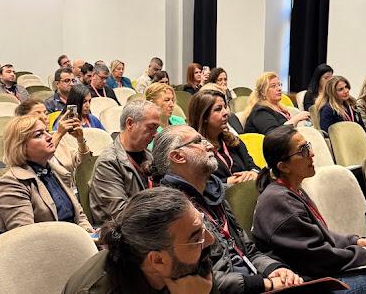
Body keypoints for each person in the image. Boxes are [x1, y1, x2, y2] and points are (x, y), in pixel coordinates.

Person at [251, 125, 366, 294]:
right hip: (314, 284)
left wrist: (356, 241)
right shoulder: (280, 201)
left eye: (308, 146)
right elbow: (318, 258)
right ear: (284, 166)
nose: (312, 153)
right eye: (303, 150)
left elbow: (318, 235)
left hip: (320, 274)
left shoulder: (291, 189)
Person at [152, 125, 302, 294]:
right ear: (178, 156)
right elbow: (195, 281)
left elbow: (248, 250)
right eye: (198, 141)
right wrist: (265, 284)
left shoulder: (213, 192)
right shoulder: (170, 210)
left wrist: (274, 269)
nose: (210, 145)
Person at [63, 187, 217, 294]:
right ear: (158, 260)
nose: (210, 240)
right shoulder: (99, 290)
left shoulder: (187, 266)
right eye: (196, 238)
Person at [0, 115, 94, 232]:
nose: (49, 137)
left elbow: (79, 215)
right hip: (48, 242)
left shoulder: (56, 171)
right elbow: (26, 235)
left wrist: (89, 234)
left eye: (46, 131)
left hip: (76, 237)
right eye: (39, 135)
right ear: (20, 146)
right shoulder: (11, 184)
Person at [88, 100, 161, 225]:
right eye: (151, 127)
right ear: (130, 124)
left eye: (156, 128)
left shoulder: (149, 154)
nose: (155, 134)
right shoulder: (108, 162)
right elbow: (121, 213)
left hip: (148, 224)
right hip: (123, 231)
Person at [15, 99, 92, 190]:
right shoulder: (24, 144)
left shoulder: (56, 137)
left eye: (45, 113)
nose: (44, 117)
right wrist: (59, 134)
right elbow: (40, 161)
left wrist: (80, 139)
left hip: (71, 190)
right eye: (37, 114)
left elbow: (84, 162)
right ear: (23, 120)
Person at [189, 89, 259, 184]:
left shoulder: (233, 141)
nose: (226, 113)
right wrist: (226, 182)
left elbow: (253, 167)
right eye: (218, 109)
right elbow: (199, 184)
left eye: (225, 107)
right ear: (203, 116)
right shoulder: (193, 150)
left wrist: (252, 174)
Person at [243, 72, 310, 135]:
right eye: (273, 86)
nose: (279, 88)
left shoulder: (279, 107)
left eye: (279, 85)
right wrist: (296, 118)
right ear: (263, 92)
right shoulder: (260, 111)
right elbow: (274, 134)